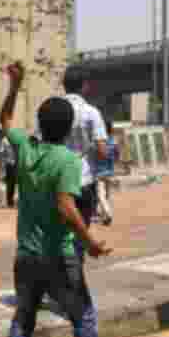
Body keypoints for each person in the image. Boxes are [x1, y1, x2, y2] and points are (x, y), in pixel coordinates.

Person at [0, 61, 110, 337]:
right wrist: (90, 242)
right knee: (83, 317)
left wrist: (14, 87)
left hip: (25, 255)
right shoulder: (68, 161)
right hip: (59, 256)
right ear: (68, 127)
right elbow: (66, 207)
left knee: (23, 319)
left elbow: (6, 120)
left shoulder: (26, 148)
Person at [61, 68, 109, 249]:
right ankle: (74, 269)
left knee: (59, 236)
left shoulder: (51, 109)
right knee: (79, 237)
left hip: (56, 182)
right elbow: (103, 151)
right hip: (82, 183)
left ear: (63, 85)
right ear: (84, 86)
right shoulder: (91, 113)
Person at [92, 115, 117, 227]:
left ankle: (108, 214)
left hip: (99, 172)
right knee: (106, 194)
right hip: (110, 171)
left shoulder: (98, 143)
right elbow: (116, 156)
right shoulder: (113, 142)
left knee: (100, 195)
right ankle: (104, 214)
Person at [0, 135, 18, 208]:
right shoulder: (5, 140)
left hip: (15, 164)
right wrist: (3, 163)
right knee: (10, 183)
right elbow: (1, 152)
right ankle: (9, 201)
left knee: (13, 183)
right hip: (9, 164)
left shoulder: (16, 139)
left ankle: (11, 201)